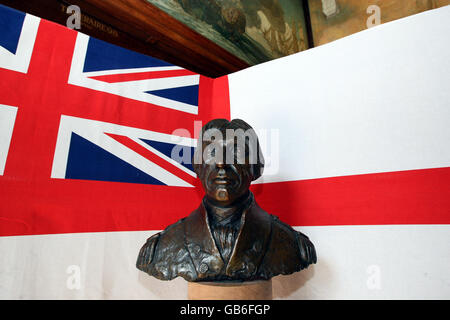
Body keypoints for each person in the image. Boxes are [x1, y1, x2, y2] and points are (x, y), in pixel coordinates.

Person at [136, 119, 316, 281]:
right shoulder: (162, 247)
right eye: (212, 152)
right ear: (198, 165)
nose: (222, 163)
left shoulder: (293, 246)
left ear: (256, 167)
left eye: (235, 152)